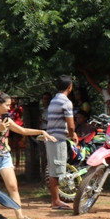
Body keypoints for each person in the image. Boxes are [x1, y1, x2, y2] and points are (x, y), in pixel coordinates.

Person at [0, 90, 56, 219]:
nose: (9, 108)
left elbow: (23, 131)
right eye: (7, 105)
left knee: (13, 187)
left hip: (5, 156)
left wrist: (42, 131)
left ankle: (20, 217)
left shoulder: (7, 120)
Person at [45, 75, 77, 210]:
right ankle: (56, 201)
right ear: (70, 87)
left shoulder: (54, 100)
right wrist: (73, 135)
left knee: (54, 169)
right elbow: (71, 126)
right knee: (56, 171)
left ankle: (55, 200)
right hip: (57, 139)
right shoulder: (66, 102)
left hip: (51, 137)